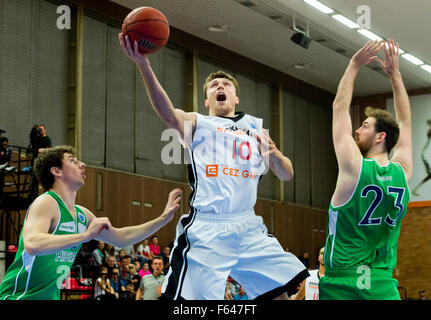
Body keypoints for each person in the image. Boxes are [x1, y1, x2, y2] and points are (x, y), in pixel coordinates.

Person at [119, 33, 308, 300]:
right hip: (208, 228)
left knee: (278, 295)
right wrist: (144, 65)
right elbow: (168, 114)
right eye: (213, 85)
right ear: (207, 100)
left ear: (236, 97)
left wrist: (274, 153)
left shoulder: (254, 128)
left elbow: (287, 174)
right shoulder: (198, 124)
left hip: (247, 225)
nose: (220, 86)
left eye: (226, 84)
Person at [0, 145, 182, 300]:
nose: (82, 164)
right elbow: (32, 244)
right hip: (18, 296)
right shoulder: (47, 202)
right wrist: (85, 235)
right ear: (56, 171)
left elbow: (122, 238)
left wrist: (162, 219)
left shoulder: (82, 215)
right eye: (72, 160)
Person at [319, 39, 412, 300]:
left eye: (365, 125)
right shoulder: (402, 172)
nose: (357, 130)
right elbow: (405, 120)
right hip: (382, 282)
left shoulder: (353, 166)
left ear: (381, 137)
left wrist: (353, 65)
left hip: (344, 283)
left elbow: (338, 107)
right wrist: (395, 76)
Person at [28, 124, 53, 201]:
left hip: (43, 163)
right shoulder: (36, 139)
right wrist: (34, 130)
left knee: (44, 179)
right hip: (35, 161)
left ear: (45, 130)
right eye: (39, 129)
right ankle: (33, 195)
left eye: (41, 129)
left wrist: (42, 150)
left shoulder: (47, 139)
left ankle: (47, 195)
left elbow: (49, 149)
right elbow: (31, 139)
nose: (40, 131)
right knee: (34, 179)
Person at [412, 119, 431, 196]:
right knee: (430, 175)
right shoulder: (429, 131)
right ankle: (415, 189)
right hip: (426, 154)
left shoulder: (429, 131)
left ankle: (415, 189)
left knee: (429, 175)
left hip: (426, 154)